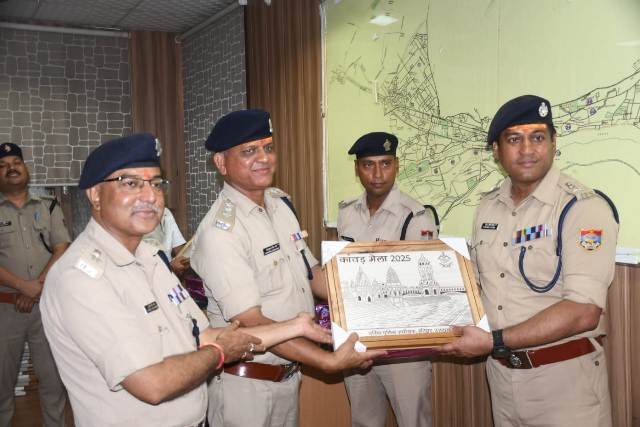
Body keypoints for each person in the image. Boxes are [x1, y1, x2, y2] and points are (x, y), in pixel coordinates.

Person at [40, 133, 334, 427]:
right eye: (131, 183)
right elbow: (152, 383)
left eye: (156, 183)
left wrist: (295, 326)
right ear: (95, 194)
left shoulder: (151, 258)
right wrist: (219, 353)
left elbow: (204, 336)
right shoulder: (80, 278)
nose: (149, 196)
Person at [190, 109, 385, 427]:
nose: (264, 158)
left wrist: (376, 296)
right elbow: (252, 322)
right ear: (221, 163)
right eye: (249, 151)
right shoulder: (221, 232)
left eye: (268, 147)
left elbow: (312, 275)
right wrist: (328, 361)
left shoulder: (280, 205)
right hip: (247, 388)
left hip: (288, 377)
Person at [441, 95, 619, 426]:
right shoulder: (487, 207)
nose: (527, 149)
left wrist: (493, 341)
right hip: (501, 379)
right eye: (514, 139)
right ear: (496, 151)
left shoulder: (582, 208)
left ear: (553, 143)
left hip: (564, 384)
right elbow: (480, 286)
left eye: (537, 137)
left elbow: (583, 311)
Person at [337, 131, 438, 427]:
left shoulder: (415, 216)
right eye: (368, 165)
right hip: (357, 340)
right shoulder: (347, 213)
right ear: (357, 169)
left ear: (397, 165)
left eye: (385, 163)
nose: (378, 174)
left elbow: (423, 281)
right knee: (363, 420)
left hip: (403, 347)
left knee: (413, 421)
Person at [0, 142, 70, 427]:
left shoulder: (48, 205)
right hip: (5, 312)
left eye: (16, 162)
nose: (11, 168)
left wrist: (36, 286)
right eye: (3, 165)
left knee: (53, 381)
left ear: (25, 168)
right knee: (2, 383)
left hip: (46, 308)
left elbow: (62, 248)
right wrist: (22, 286)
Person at [143, 207, 190, 275]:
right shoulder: (135, 218)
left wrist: (185, 259)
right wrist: (170, 267)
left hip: (169, 274)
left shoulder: (166, 212)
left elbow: (179, 247)